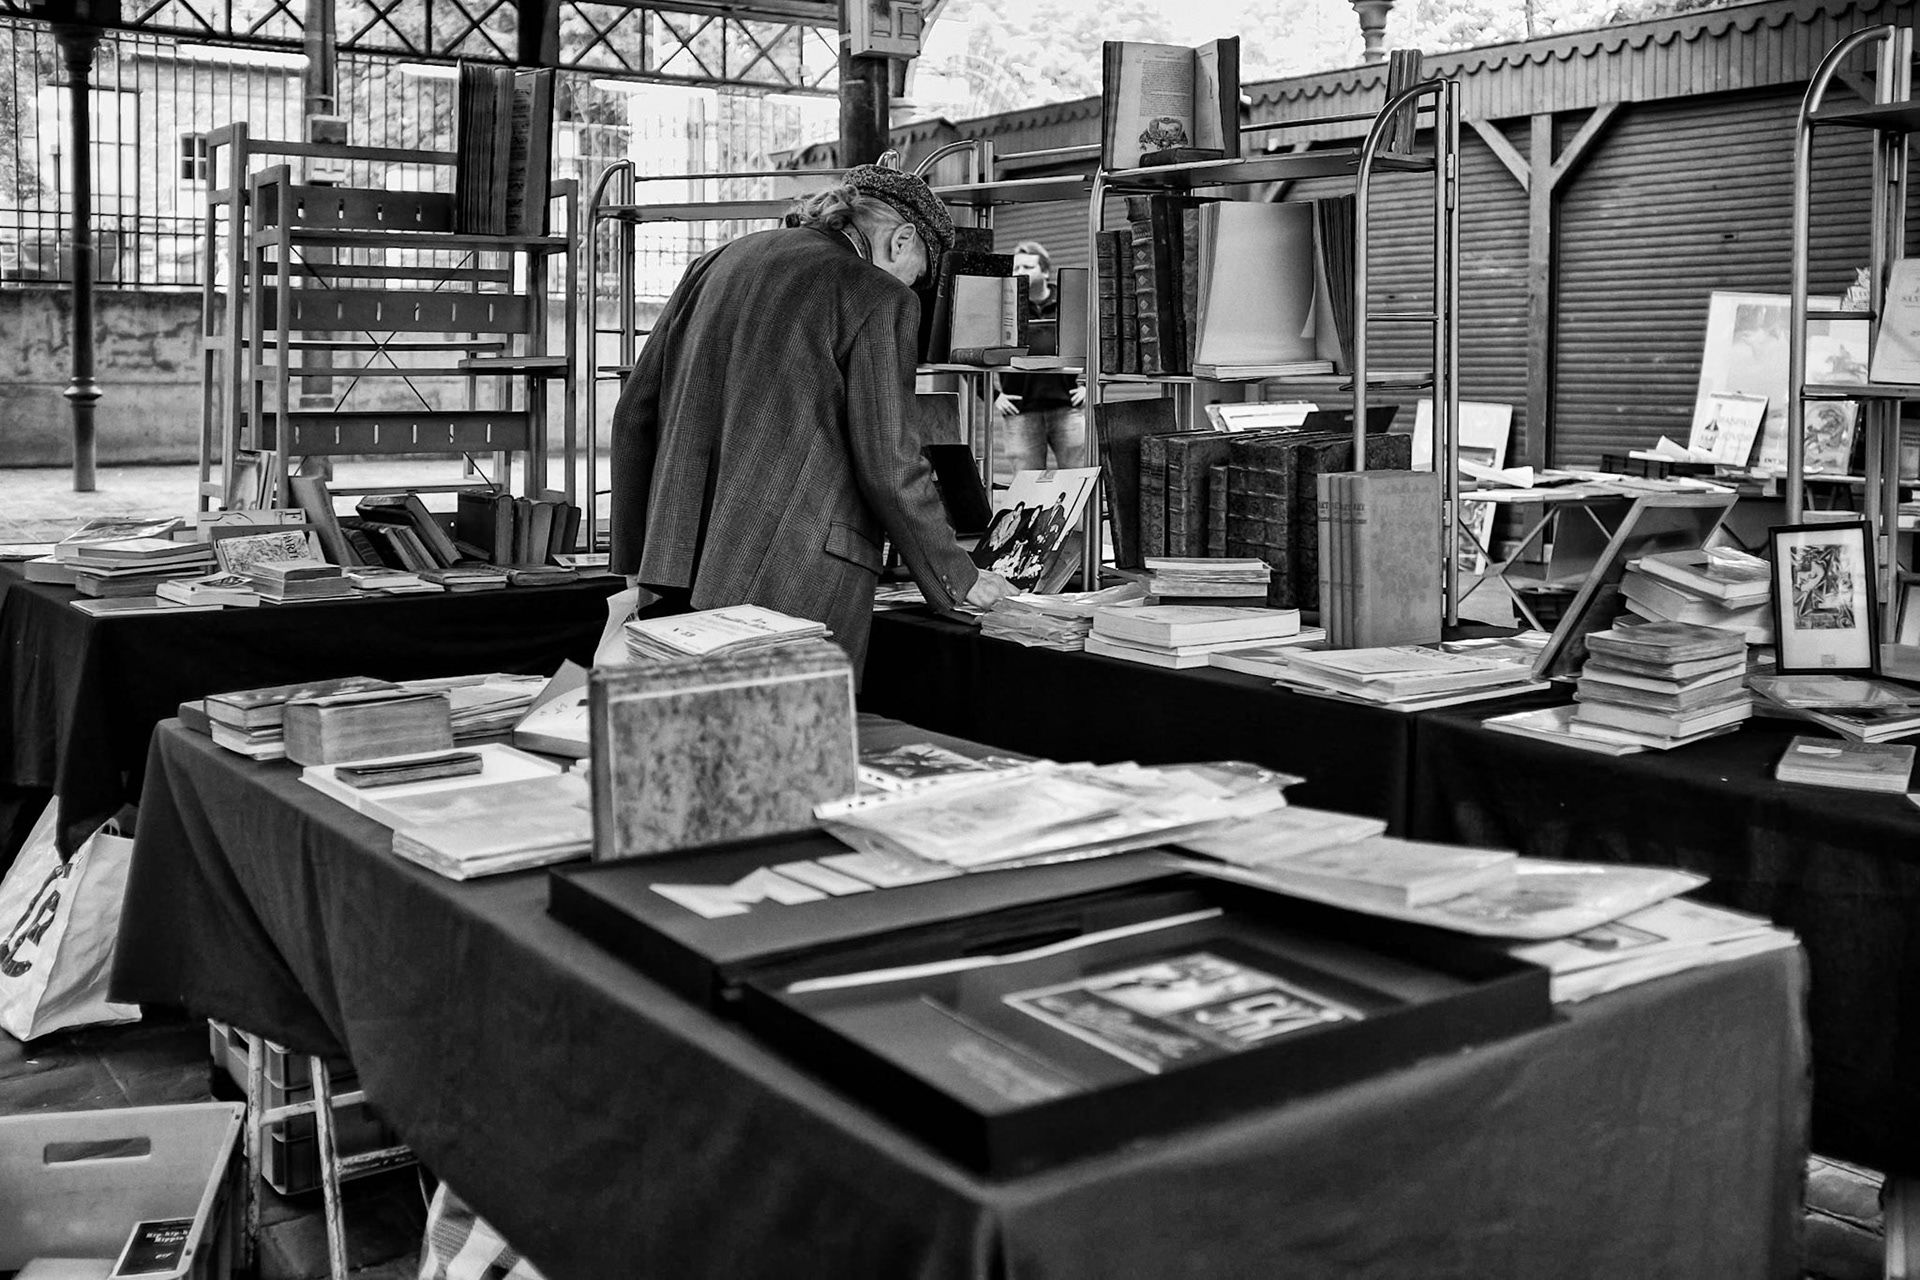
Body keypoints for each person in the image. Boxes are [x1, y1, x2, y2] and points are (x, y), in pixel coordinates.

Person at [608, 160, 1013, 674]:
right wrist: (960, 577)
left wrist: (634, 562)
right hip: (791, 579)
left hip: (670, 568)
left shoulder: (716, 263)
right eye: (921, 276)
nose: (914, 288)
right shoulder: (878, 295)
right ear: (903, 240)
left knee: (690, 740)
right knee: (788, 739)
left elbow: (632, 416)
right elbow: (890, 464)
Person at [994, 240, 1086, 480]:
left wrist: (1087, 386)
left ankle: (1080, 521)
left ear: (1045, 271)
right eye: (1016, 268)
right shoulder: (1005, 307)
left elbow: (1094, 344)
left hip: (1067, 409)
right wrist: (994, 396)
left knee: (1079, 482)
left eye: (1027, 267)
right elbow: (971, 349)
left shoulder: (1068, 303)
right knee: (1027, 487)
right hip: (1020, 411)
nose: (1020, 273)